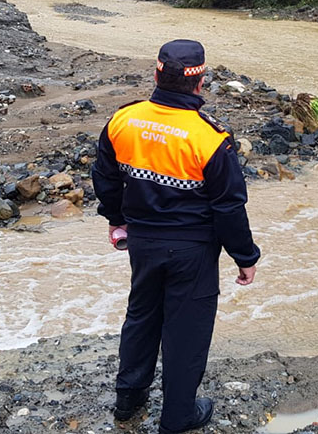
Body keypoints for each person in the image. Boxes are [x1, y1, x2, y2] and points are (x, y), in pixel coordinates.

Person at [91, 39, 261, 434]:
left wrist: (117, 220)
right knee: (186, 331)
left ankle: (128, 401)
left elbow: (105, 177)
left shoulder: (124, 120)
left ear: (156, 75)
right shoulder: (210, 137)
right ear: (200, 82)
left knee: (142, 318)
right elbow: (229, 207)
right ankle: (178, 416)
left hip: (144, 242)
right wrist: (245, 256)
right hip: (193, 249)